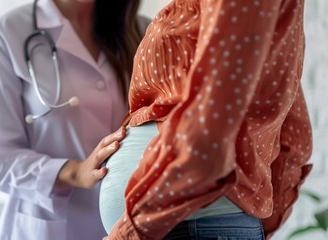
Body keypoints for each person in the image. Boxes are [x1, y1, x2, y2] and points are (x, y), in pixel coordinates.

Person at [99, 0, 313, 239]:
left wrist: (131, 231)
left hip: (182, 223)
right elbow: (293, 136)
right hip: (194, 221)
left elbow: (211, 122)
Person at [0, 0, 150, 239]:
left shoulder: (145, 32)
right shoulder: (9, 33)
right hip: (49, 227)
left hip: (132, 222)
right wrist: (72, 172)